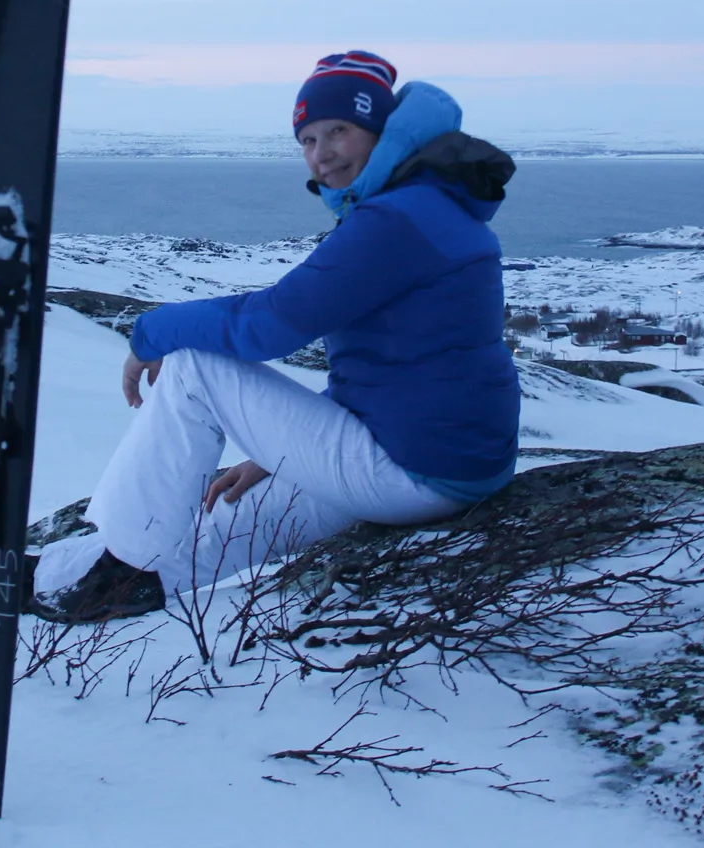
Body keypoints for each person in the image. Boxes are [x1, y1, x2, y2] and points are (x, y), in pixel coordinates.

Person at [30, 51, 520, 624]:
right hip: (448, 463)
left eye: (338, 131)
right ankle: (66, 577)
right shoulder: (423, 205)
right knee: (231, 510)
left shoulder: (398, 218)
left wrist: (150, 332)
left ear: (381, 130)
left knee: (193, 367)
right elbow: (405, 364)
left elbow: (270, 325)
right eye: (307, 140)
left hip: (413, 468)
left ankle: (124, 563)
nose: (321, 154)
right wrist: (278, 454)